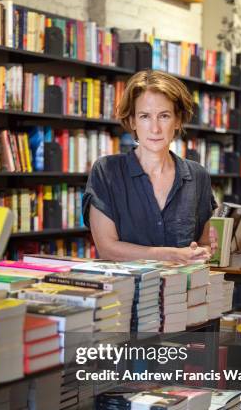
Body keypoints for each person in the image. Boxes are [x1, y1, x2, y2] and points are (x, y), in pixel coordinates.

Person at [83, 70, 216, 264]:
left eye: (164, 116)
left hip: (182, 290)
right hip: (124, 291)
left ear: (178, 120)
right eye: (145, 116)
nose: (155, 128)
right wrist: (172, 255)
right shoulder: (107, 171)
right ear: (132, 121)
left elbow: (205, 244)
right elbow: (108, 249)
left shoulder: (198, 175)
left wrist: (202, 252)